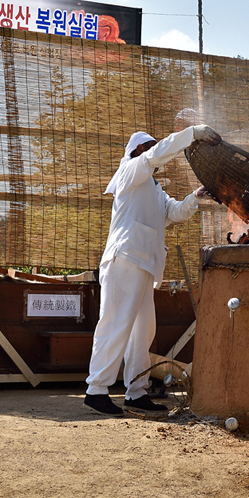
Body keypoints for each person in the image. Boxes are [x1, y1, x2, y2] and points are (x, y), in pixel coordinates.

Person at [83, 125, 222, 414]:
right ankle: (96, 389)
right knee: (115, 324)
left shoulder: (156, 190)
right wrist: (193, 132)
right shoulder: (130, 172)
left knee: (142, 332)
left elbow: (175, 214)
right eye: (146, 148)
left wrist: (195, 196)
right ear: (135, 152)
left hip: (143, 265)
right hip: (125, 259)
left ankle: (136, 392)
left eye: (151, 147)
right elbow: (156, 156)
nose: (151, 152)